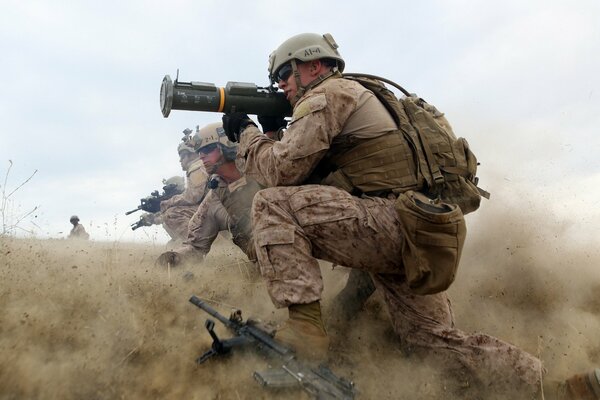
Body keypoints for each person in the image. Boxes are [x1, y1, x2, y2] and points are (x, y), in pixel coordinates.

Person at [219, 32, 598, 399]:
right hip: (418, 232)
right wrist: (274, 133)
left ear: (314, 66)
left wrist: (248, 133)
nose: (281, 84)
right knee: (433, 342)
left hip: (387, 222)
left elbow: (281, 176)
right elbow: (313, 174)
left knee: (270, 204)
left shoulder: (328, 94)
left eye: (285, 74)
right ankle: (564, 389)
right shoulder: (360, 94)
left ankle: (305, 329)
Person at [157, 122, 262, 266]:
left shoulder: (262, 168)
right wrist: (175, 258)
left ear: (226, 145)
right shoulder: (216, 196)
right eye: (199, 151)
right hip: (266, 264)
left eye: (207, 149)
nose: (201, 156)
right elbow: (195, 246)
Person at [159, 129, 209, 243]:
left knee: (172, 214)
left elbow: (193, 196)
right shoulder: (202, 166)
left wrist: (169, 202)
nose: (180, 161)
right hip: (213, 207)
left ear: (190, 155)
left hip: (214, 209)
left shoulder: (196, 167)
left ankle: (196, 244)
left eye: (182, 157)